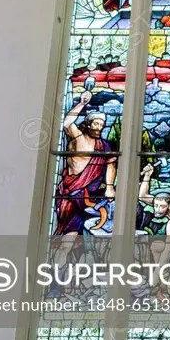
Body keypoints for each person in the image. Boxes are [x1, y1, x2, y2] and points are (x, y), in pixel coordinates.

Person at [54, 91, 116, 237]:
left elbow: (110, 164)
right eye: (96, 123)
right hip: (73, 193)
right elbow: (67, 123)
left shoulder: (104, 145)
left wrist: (109, 187)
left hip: (93, 195)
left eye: (102, 125)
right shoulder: (78, 138)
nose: (99, 127)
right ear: (88, 124)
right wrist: (82, 103)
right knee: (70, 230)